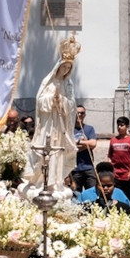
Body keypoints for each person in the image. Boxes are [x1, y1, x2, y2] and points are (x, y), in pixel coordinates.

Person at [25, 37, 81, 194]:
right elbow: (40, 101)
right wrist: (51, 99)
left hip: (60, 125)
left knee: (58, 152)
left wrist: (62, 101)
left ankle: (56, 181)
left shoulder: (68, 84)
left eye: (68, 68)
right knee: (45, 151)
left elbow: (71, 105)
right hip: (48, 123)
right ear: (58, 67)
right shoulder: (48, 82)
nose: (65, 71)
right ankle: (41, 181)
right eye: (64, 67)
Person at [109, 116, 130, 202]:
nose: (119, 127)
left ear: (127, 127)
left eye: (122, 125)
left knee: (128, 198)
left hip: (128, 175)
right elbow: (110, 156)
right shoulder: (113, 140)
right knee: (116, 199)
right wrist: (110, 169)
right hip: (116, 175)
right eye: (118, 125)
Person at [69, 104, 98, 192]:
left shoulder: (89, 129)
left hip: (88, 168)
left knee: (92, 193)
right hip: (74, 169)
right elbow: (69, 146)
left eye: (82, 113)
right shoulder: (69, 130)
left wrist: (78, 142)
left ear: (85, 115)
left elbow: (93, 144)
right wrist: (86, 144)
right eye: (78, 113)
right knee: (76, 195)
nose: (80, 115)